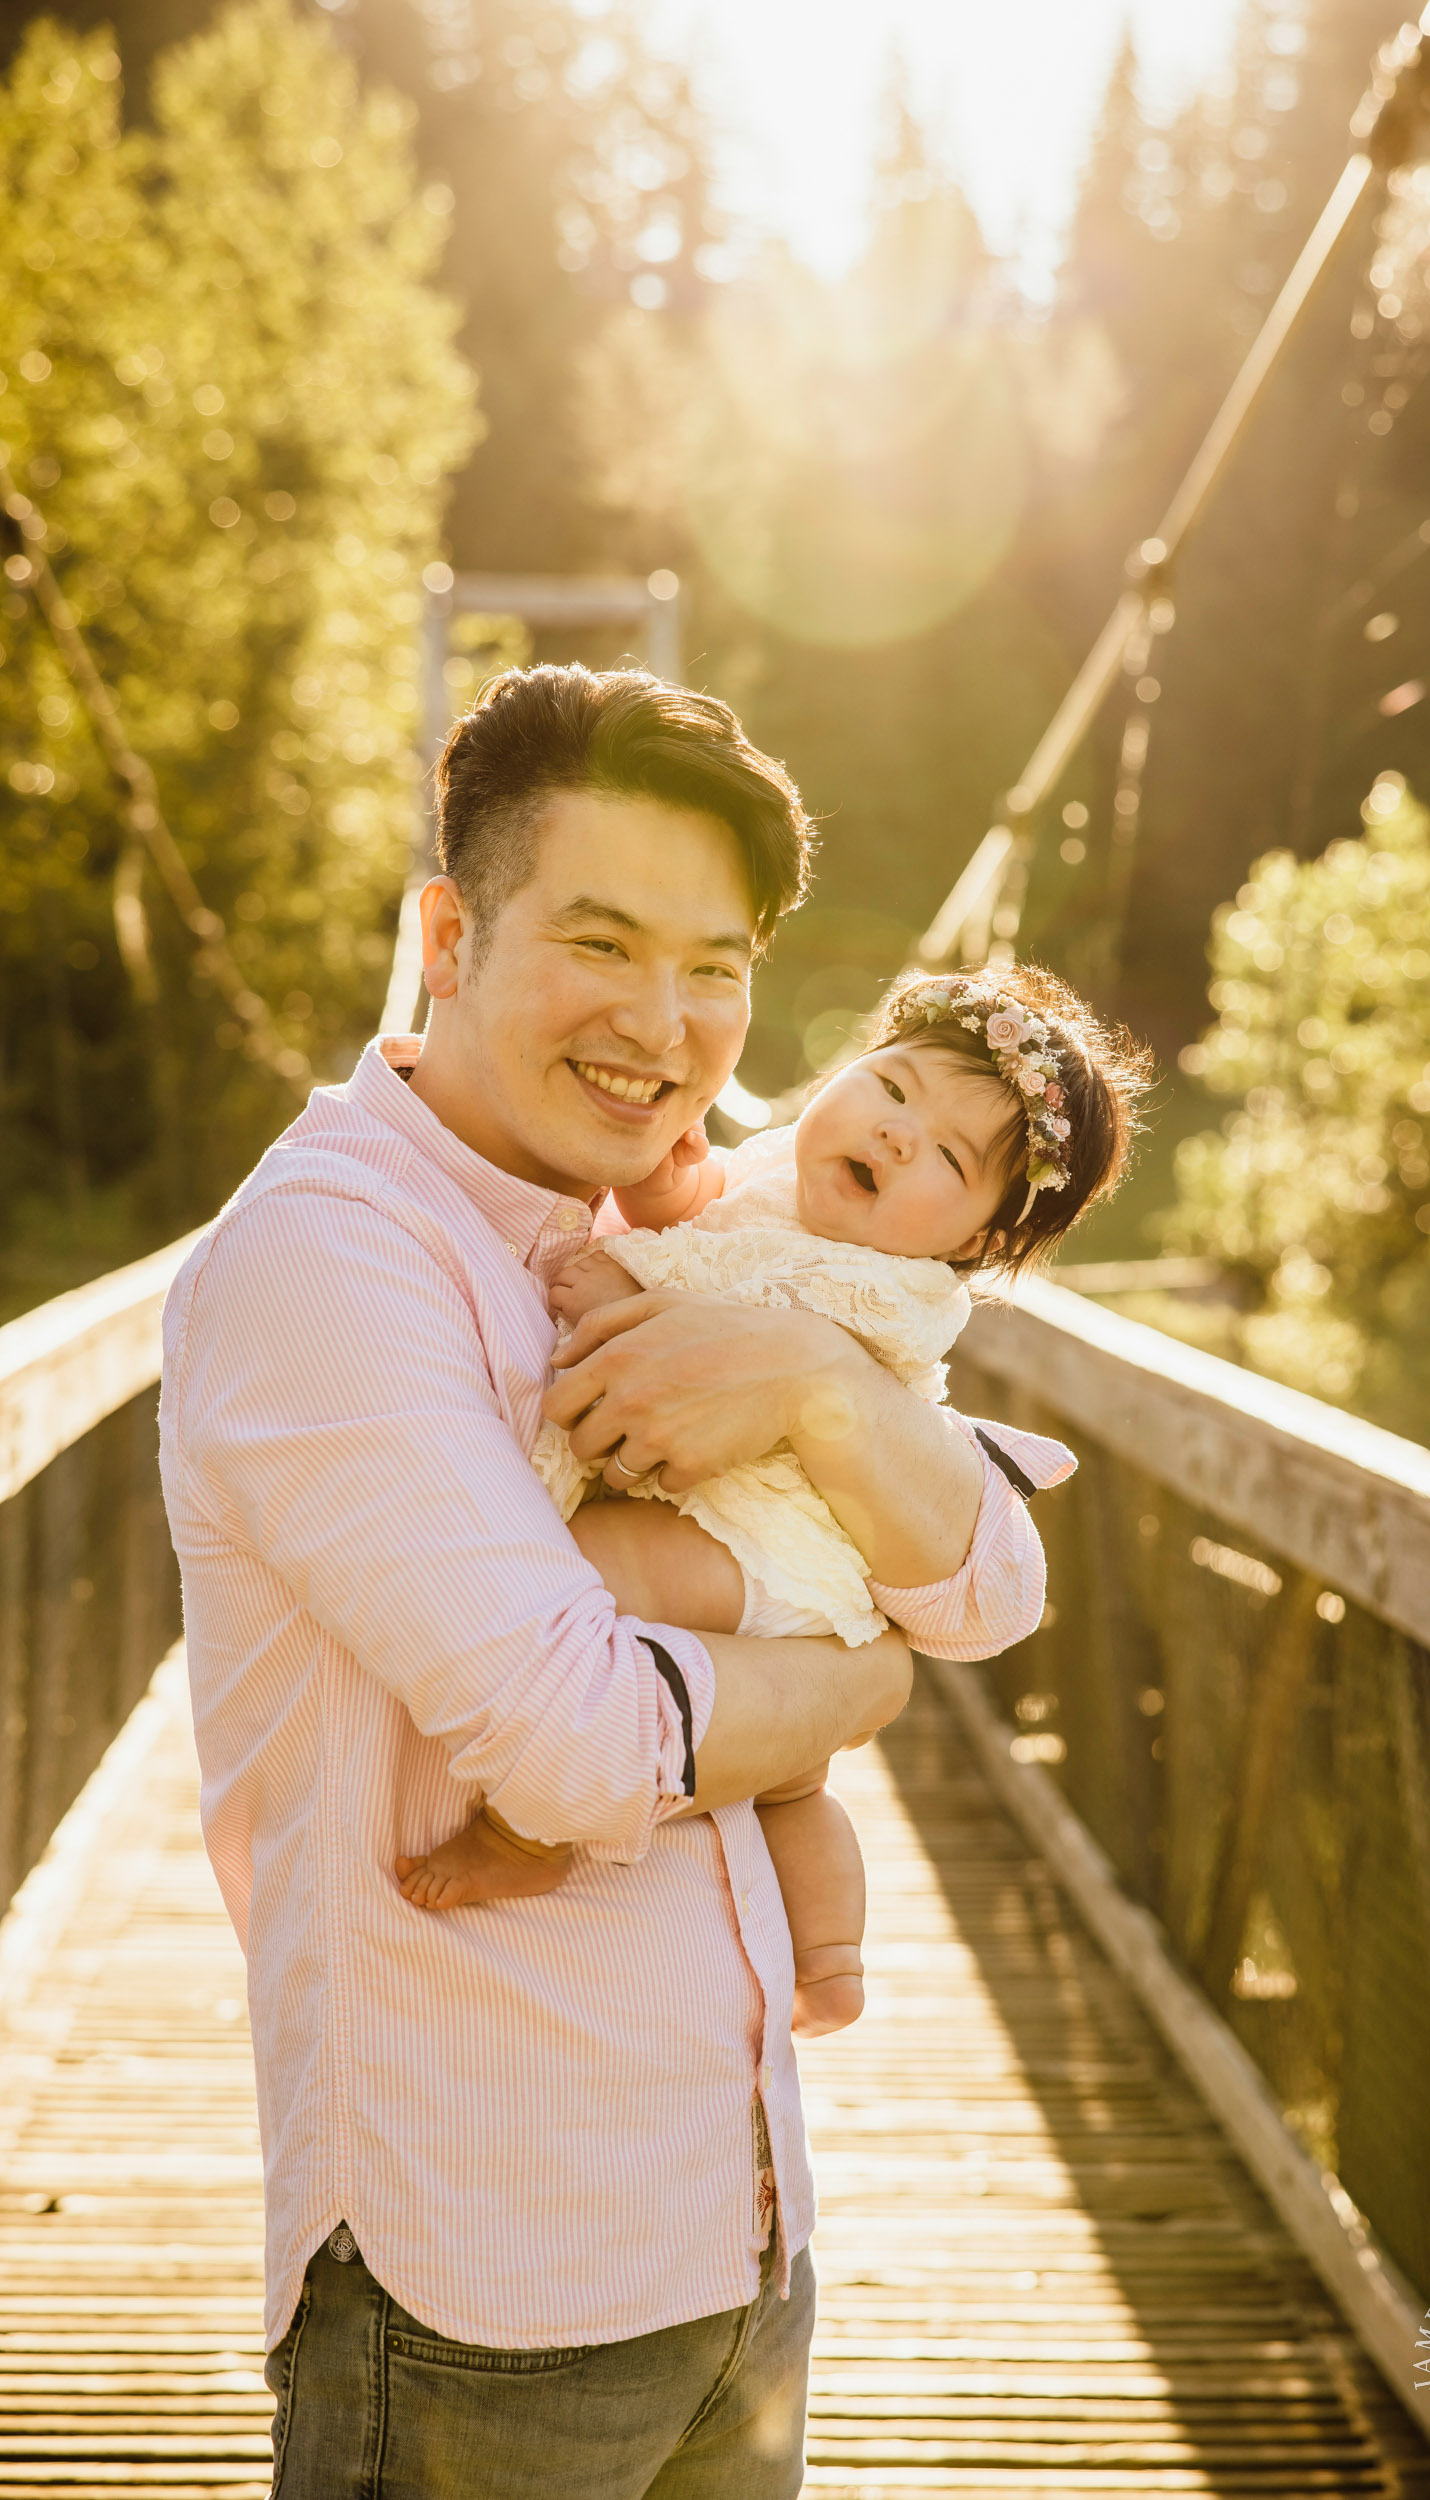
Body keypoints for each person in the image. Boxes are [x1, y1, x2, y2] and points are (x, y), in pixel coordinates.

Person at [160, 662, 1080, 2500]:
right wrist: (857, 1688)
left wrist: (819, 1387)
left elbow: (989, 1585)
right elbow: (581, 1753)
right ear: (447, 932)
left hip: (735, 2238)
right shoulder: (336, 1266)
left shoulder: (671, 1214)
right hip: (487, 2287)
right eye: (601, 943)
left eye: (718, 966)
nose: (666, 1027)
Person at [397, 964, 1147, 2051]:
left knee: (598, 1563)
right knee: (794, 1793)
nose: (895, 1135)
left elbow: (734, 1324)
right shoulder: (781, 1178)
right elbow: (715, 1223)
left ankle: (524, 1834)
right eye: (890, 1088)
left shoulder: (889, 1286)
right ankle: (832, 1956)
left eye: (944, 1155)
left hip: (764, 1542)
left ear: (975, 1245)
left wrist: (633, 1294)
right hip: (764, 1558)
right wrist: (663, 1194)